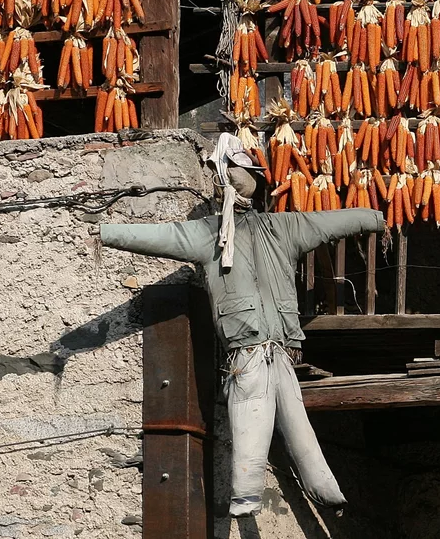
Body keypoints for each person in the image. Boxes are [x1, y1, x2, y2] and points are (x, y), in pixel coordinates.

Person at [100, 133, 385, 517]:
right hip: (248, 354)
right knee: (255, 422)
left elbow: (331, 222)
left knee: (298, 430)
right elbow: (160, 236)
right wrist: (107, 234)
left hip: (279, 353)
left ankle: (326, 495)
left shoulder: (276, 229)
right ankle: (249, 498)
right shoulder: (214, 234)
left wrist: (372, 219)